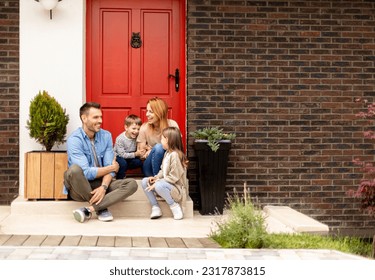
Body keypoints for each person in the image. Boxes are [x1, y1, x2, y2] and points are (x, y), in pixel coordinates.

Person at [63, 102, 138, 223]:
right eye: (96, 117)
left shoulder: (106, 136)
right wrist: (112, 168)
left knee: (132, 184)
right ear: (84, 118)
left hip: (101, 183)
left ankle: (90, 209)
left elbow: (110, 168)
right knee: (74, 170)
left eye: (101, 117)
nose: (100, 121)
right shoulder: (74, 140)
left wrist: (103, 187)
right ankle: (102, 209)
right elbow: (86, 173)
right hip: (80, 187)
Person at [141, 127, 188, 220]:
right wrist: (156, 177)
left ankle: (174, 206)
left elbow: (174, 177)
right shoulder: (167, 153)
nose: (160, 141)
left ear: (167, 140)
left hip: (176, 190)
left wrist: (157, 182)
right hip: (166, 184)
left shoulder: (175, 155)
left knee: (158, 185)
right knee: (144, 181)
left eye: (162, 138)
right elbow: (163, 170)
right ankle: (155, 207)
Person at [137, 97, 179, 176]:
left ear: (159, 112)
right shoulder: (144, 127)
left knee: (158, 147)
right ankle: (157, 180)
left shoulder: (172, 125)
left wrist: (151, 149)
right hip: (149, 168)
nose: (147, 114)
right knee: (158, 148)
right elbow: (141, 155)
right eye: (147, 111)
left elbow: (178, 150)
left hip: (168, 166)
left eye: (151, 112)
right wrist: (154, 151)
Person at [114, 114, 144, 179]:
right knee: (123, 163)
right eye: (134, 128)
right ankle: (120, 178)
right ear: (126, 127)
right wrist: (135, 154)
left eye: (138, 129)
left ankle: (145, 176)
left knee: (139, 162)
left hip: (130, 157)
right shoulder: (120, 139)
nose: (136, 131)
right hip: (119, 156)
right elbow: (121, 154)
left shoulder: (138, 137)